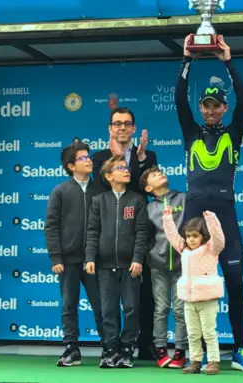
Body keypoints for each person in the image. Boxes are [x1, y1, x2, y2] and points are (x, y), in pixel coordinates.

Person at [174, 35, 243, 372]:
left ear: (223, 108)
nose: (210, 110)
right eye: (206, 105)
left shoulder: (233, 132)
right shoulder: (191, 132)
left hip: (224, 212)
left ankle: (239, 349)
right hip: (193, 212)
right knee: (190, 283)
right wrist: (186, 60)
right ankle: (191, 352)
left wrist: (228, 61)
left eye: (216, 105)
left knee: (235, 282)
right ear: (201, 109)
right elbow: (178, 97)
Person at [91, 107, 158, 360]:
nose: (122, 128)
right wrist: (124, 161)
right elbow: (106, 189)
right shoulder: (98, 158)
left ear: (133, 128)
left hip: (139, 234)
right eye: (117, 123)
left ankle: (145, 342)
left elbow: (144, 188)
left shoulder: (148, 156)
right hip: (109, 238)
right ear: (110, 128)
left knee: (143, 293)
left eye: (127, 124)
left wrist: (137, 162)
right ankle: (112, 346)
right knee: (109, 301)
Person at [44, 141, 105, 366]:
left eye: (88, 156)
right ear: (71, 166)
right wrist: (56, 257)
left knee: (101, 305)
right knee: (69, 305)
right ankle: (72, 348)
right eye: (82, 158)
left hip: (95, 261)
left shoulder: (100, 189)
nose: (89, 160)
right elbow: (51, 226)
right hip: (68, 260)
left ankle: (108, 346)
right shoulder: (60, 191)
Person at [85, 155, 149, 369]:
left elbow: (142, 232)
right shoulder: (99, 201)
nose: (126, 170)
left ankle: (127, 349)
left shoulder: (138, 200)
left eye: (127, 167)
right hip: (104, 266)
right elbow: (93, 232)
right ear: (109, 176)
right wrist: (90, 257)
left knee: (131, 308)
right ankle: (110, 348)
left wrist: (138, 258)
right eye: (120, 168)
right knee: (108, 309)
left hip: (130, 265)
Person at [162, 207, 226, 375]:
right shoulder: (184, 250)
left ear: (204, 236)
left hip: (207, 299)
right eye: (188, 236)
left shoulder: (212, 249)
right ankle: (195, 361)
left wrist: (212, 220)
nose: (190, 240)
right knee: (193, 333)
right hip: (189, 300)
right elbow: (172, 236)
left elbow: (218, 238)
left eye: (195, 236)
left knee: (209, 332)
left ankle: (213, 361)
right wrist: (167, 218)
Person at [140, 166, 188, 368]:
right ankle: (160, 349)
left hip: (183, 264)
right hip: (158, 266)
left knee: (179, 309)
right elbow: (145, 235)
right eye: (154, 175)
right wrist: (151, 254)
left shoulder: (184, 199)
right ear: (148, 188)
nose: (160, 174)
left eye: (161, 172)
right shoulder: (149, 208)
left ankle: (180, 351)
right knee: (160, 308)